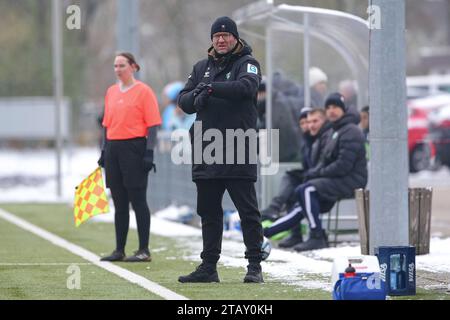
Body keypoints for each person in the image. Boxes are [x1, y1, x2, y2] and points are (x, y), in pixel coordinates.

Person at [177, 16, 264, 283]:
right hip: (207, 148)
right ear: (212, 40)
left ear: (235, 38)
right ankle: (208, 268)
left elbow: (246, 87)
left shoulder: (248, 63)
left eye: (226, 36)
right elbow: (184, 100)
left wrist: (212, 88)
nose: (221, 40)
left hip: (238, 146)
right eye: (216, 36)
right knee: (208, 211)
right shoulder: (201, 66)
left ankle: (254, 267)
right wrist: (197, 96)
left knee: (247, 211)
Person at [264, 93, 367, 251]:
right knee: (301, 190)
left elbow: (343, 165)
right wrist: (316, 173)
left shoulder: (350, 131)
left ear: (343, 109)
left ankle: (316, 236)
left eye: (335, 107)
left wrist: (316, 174)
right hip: (337, 178)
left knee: (307, 189)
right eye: (329, 107)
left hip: (351, 180)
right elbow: (325, 162)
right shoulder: (335, 130)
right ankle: (267, 232)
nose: (332, 110)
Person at [98, 52, 162, 262]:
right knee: (119, 201)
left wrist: (149, 153)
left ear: (133, 67)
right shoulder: (111, 92)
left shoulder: (144, 92)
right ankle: (119, 249)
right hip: (114, 149)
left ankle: (144, 250)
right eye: (115, 66)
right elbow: (107, 125)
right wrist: (104, 151)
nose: (118, 69)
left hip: (134, 147)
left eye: (122, 65)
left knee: (138, 199)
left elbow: (152, 125)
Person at [263, 108, 333, 248]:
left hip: (322, 181)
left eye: (311, 121)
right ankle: (295, 234)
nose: (307, 126)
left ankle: (271, 221)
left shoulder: (322, 138)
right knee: (291, 181)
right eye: (303, 123)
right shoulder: (308, 142)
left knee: (299, 189)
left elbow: (320, 166)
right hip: (314, 178)